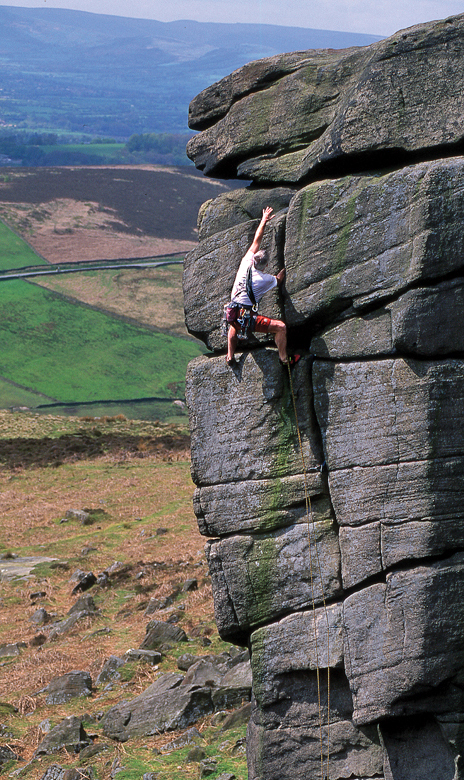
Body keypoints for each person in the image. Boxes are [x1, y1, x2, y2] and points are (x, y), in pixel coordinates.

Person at [225, 206, 300, 368]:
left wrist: (264, 220)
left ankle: (230, 356)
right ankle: (284, 359)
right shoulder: (264, 279)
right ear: (265, 267)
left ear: (253, 260)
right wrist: (289, 265)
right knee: (280, 327)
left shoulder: (246, 262)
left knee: (234, 324)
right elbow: (279, 280)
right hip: (247, 319)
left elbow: (256, 241)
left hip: (232, 312)